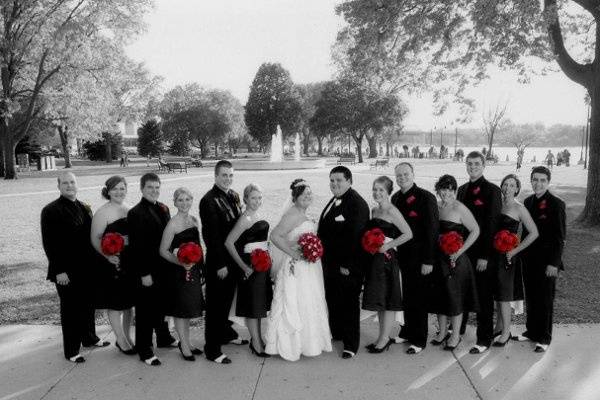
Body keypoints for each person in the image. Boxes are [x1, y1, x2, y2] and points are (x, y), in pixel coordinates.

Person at [41, 171, 109, 363]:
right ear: (59, 186)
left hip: (87, 268)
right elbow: (50, 243)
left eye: (72, 182)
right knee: (70, 310)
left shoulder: (84, 207)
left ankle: (89, 338)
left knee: (88, 305)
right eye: (65, 183)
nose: (69, 186)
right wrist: (58, 270)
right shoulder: (51, 210)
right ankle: (71, 350)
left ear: (77, 184)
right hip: (65, 271)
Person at [265, 179, 332, 361]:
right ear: (294, 197)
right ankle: (292, 344)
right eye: (303, 195)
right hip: (296, 266)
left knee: (309, 300)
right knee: (295, 300)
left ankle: (309, 342)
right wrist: (293, 254)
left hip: (309, 266)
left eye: (309, 194)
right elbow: (275, 236)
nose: (307, 197)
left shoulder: (303, 213)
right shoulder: (292, 214)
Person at [317, 166, 370, 359]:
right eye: (332, 180)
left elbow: (356, 238)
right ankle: (337, 332)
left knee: (348, 304)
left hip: (348, 266)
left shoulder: (357, 204)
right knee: (334, 300)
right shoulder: (334, 200)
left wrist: (347, 265)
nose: (334, 184)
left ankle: (351, 344)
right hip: (330, 264)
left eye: (339, 180)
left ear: (350, 181)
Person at [514, 166, 566, 352]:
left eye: (542, 180)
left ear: (548, 182)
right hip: (529, 260)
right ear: (531, 180)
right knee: (532, 297)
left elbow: (560, 237)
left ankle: (544, 337)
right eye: (535, 179)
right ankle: (532, 331)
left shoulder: (556, 204)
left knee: (545, 299)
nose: (538, 183)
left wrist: (554, 263)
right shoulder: (527, 202)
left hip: (547, 262)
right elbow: (526, 232)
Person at [128, 173, 178, 366]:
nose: (154, 191)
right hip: (147, 270)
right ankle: (145, 348)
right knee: (145, 310)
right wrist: (144, 273)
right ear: (142, 189)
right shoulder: (135, 213)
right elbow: (136, 248)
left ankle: (164, 338)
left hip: (164, 267)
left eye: (157, 187)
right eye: (150, 187)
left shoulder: (164, 208)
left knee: (161, 305)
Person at [200, 160, 247, 364]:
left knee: (227, 303)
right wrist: (220, 265)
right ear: (216, 176)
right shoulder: (208, 200)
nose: (228, 179)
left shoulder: (234, 195)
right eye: (224, 175)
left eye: (230, 175)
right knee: (216, 306)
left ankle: (226, 334)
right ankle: (212, 349)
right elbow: (211, 236)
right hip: (220, 263)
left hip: (234, 259)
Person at [390, 163, 439, 354]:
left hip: (420, 259)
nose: (402, 178)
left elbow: (432, 231)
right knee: (406, 296)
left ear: (413, 174)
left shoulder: (426, 197)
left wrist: (429, 260)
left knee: (418, 298)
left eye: (405, 174)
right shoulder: (395, 198)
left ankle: (419, 339)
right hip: (400, 257)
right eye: (399, 175)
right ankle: (407, 330)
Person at [456, 151, 502, 354]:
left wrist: (485, 255)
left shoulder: (492, 190)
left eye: (476, 163)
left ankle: (484, 338)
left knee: (483, 296)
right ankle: (459, 329)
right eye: (469, 163)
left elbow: (492, 225)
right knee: (463, 290)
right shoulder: (462, 189)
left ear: (483, 166)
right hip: (463, 251)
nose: (472, 167)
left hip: (483, 253)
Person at [363, 176, 412, 354]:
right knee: (380, 299)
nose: (377, 193)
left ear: (389, 192)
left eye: (381, 190)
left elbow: (408, 234)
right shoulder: (374, 210)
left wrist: (388, 246)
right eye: (375, 189)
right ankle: (380, 337)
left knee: (389, 299)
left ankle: (385, 339)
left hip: (387, 260)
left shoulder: (392, 211)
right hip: (374, 259)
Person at [431, 174, 480, 351]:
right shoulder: (436, 207)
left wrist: (460, 251)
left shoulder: (460, 208)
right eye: (443, 189)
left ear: (455, 190)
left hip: (454, 260)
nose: (446, 193)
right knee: (440, 296)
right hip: (438, 258)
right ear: (438, 190)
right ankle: (442, 331)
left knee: (454, 298)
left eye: (450, 190)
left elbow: (475, 230)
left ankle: (455, 335)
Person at [225, 184, 273, 358]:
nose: (257, 201)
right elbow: (229, 243)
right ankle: (256, 344)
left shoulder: (257, 214)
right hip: (250, 267)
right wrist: (244, 267)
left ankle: (257, 339)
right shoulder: (244, 219)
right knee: (253, 307)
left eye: (259, 198)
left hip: (262, 265)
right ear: (245, 199)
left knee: (259, 306)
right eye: (253, 198)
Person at [90, 176, 136, 356]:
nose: (119, 192)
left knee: (129, 304)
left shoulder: (129, 209)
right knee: (116, 303)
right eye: (115, 189)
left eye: (122, 188)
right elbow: (95, 238)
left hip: (128, 262)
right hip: (111, 262)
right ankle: (121, 340)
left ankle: (126, 337)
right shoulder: (102, 212)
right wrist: (107, 256)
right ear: (108, 191)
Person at [491, 175, 538, 346]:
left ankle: (506, 333)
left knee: (504, 296)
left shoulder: (519, 208)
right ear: (501, 186)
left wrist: (515, 250)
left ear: (517, 189)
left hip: (507, 257)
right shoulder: (497, 204)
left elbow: (534, 232)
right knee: (497, 294)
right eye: (505, 184)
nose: (508, 187)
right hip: (493, 255)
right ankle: (498, 327)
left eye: (512, 185)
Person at [159, 187, 205, 361]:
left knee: (189, 309)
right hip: (178, 272)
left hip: (193, 270)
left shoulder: (194, 220)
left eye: (187, 199)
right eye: (180, 200)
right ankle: (184, 345)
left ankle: (187, 342)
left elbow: (199, 246)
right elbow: (163, 251)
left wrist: (200, 268)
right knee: (180, 309)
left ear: (191, 200)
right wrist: (181, 263)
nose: (184, 203)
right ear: (175, 202)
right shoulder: (172, 224)